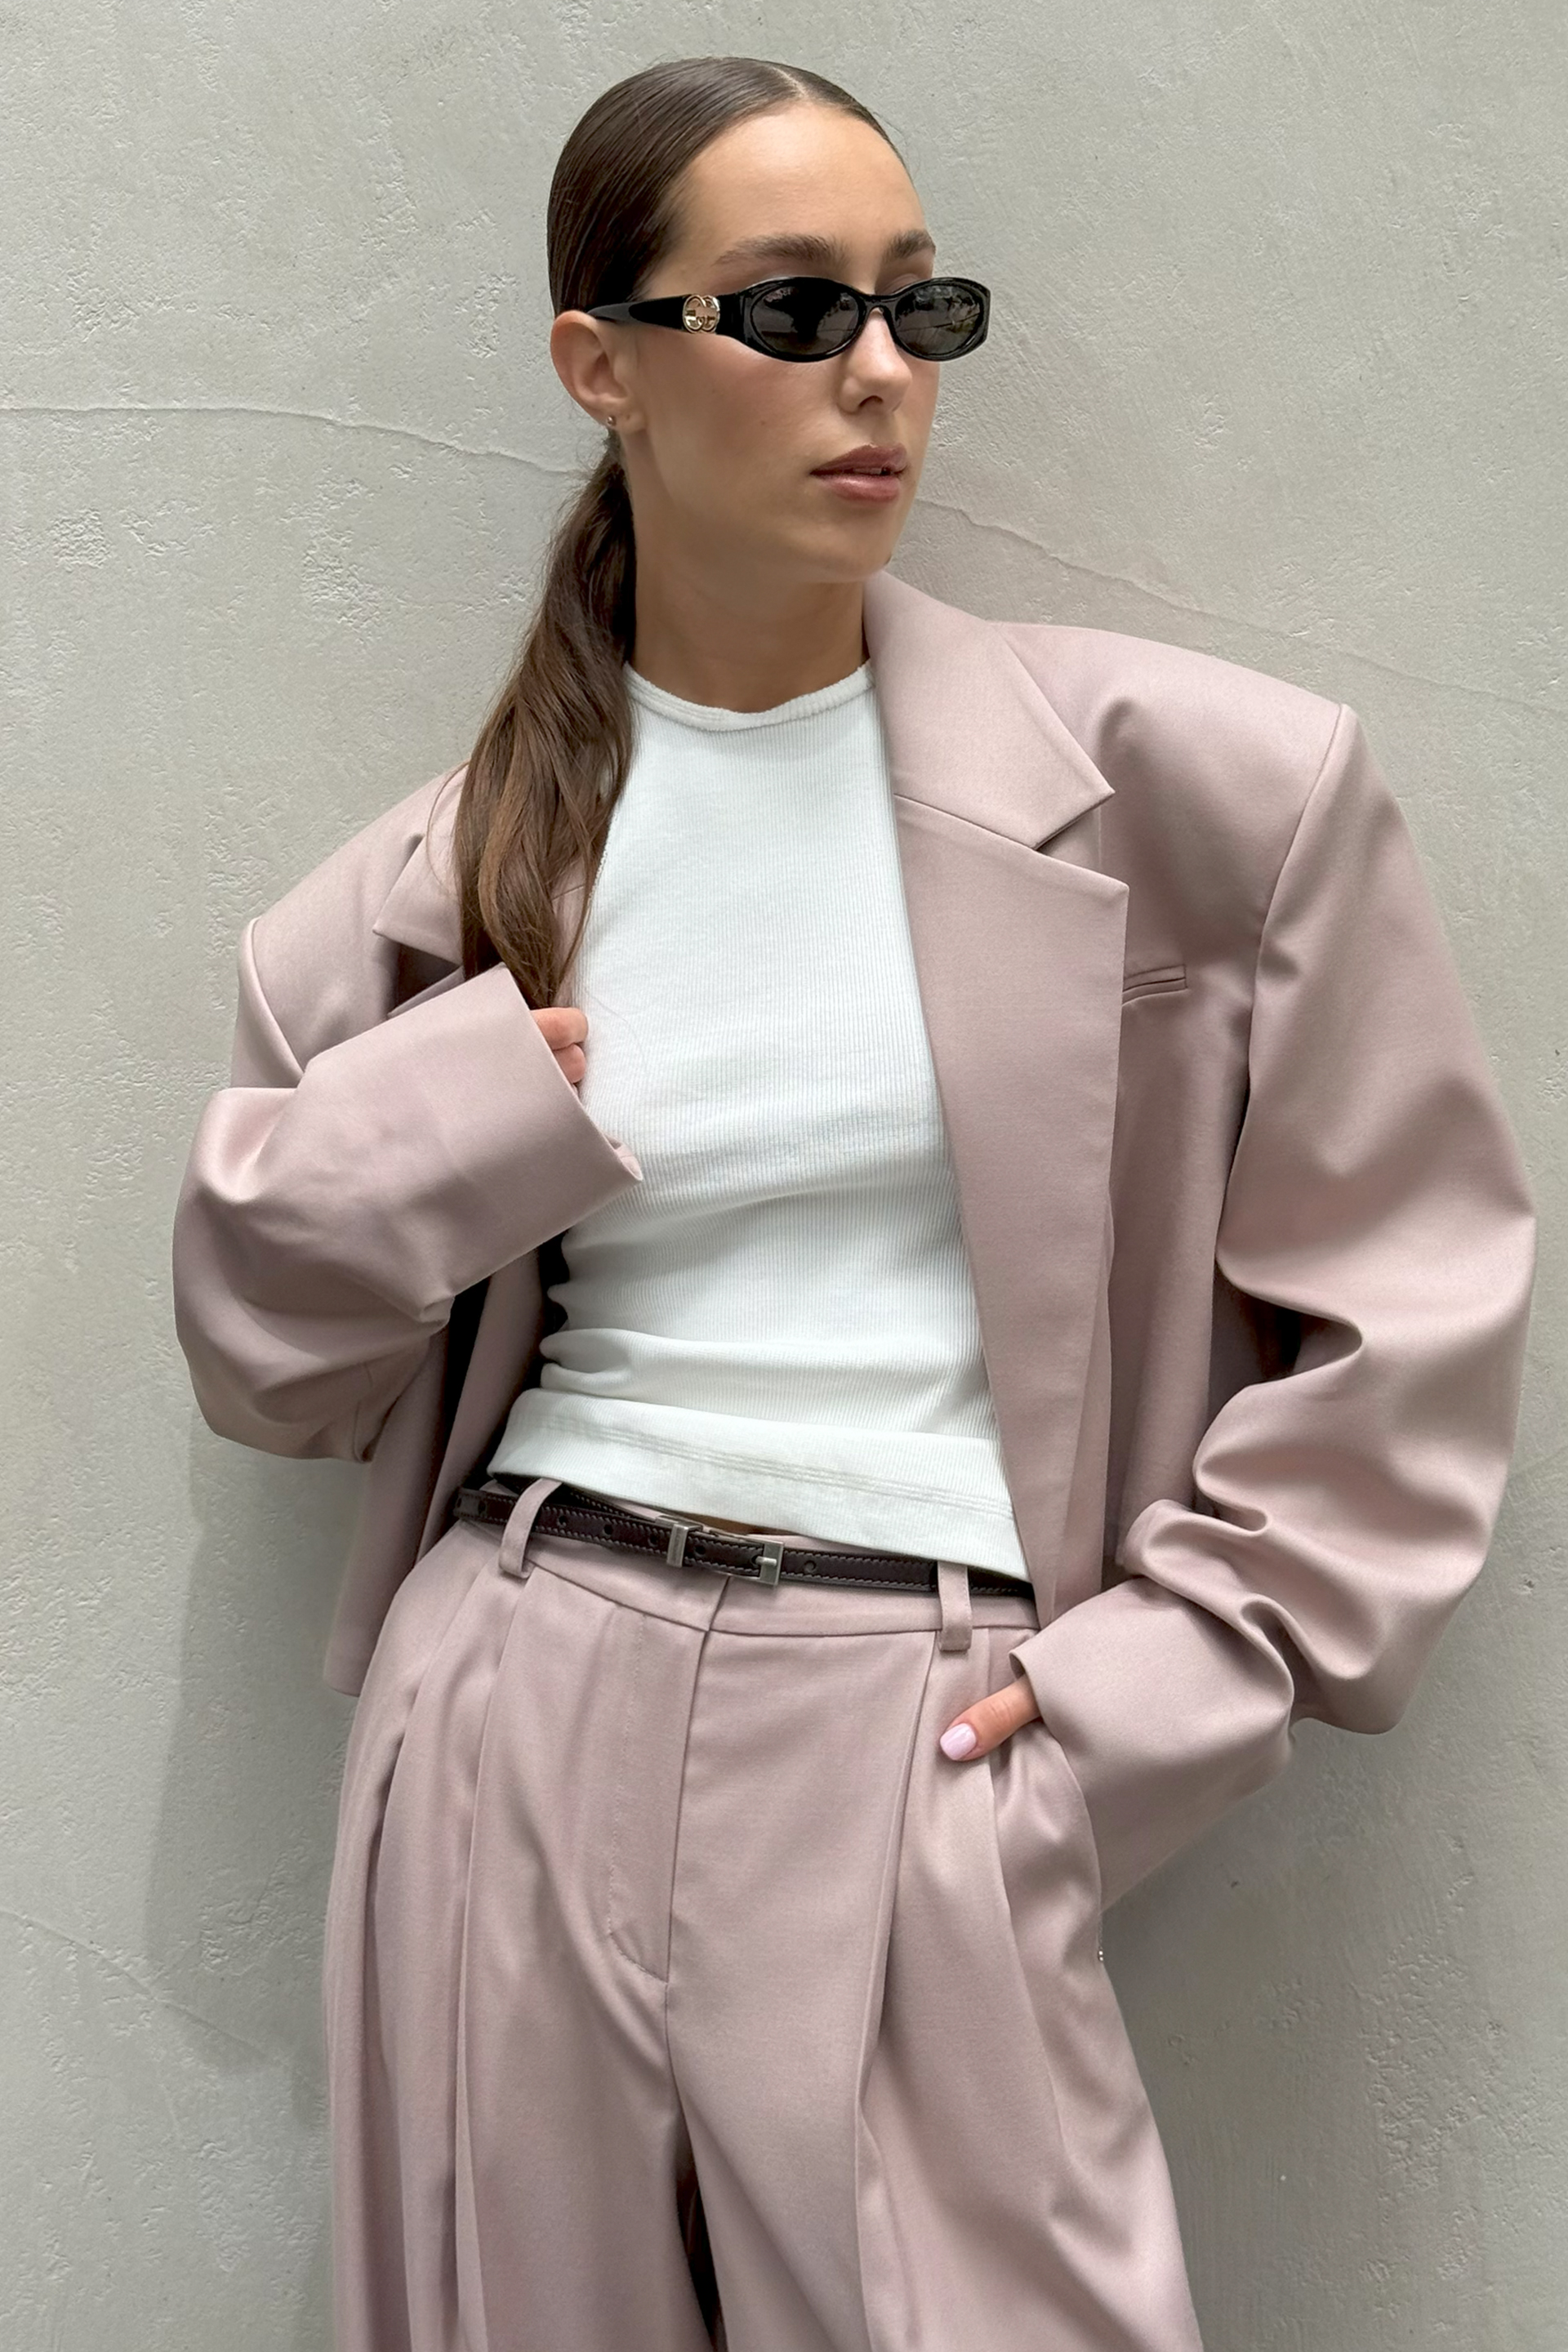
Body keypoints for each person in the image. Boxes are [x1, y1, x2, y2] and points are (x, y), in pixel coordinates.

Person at [171, 52, 1537, 2352]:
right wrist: (465, 1110)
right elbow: (267, 1362)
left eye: (923, 306)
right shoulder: (443, 884)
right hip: (517, 1702)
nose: (883, 372)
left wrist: (1147, 1697)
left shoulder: (1208, 796)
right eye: (794, 311)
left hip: (937, 1725)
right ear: (601, 365)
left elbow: (1414, 1314)